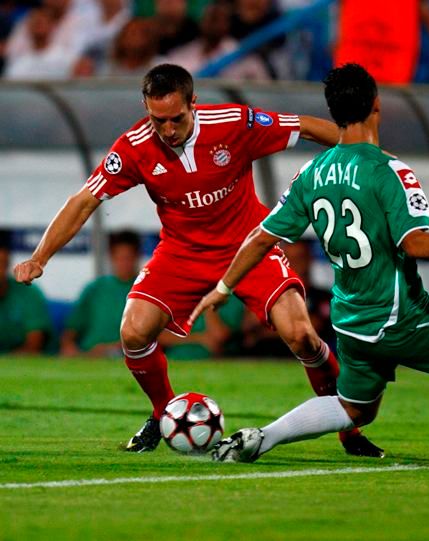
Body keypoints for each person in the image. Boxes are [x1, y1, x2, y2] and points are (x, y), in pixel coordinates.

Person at [14, 63, 380, 457]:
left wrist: (371, 159)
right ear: (145, 107)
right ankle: (163, 413)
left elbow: (307, 126)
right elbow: (84, 200)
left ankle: (348, 428)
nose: (167, 130)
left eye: (176, 118)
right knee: (133, 332)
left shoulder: (234, 123)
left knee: (302, 336)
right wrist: (40, 257)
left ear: (194, 103)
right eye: (158, 120)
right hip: (181, 252)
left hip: (248, 244)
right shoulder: (134, 147)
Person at [189, 63, 429, 462]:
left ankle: (263, 437)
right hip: (399, 318)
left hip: (352, 326)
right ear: (376, 104)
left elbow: (260, 238)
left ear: (333, 113)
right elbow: (415, 244)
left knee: (355, 409)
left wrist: (223, 288)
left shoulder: (312, 172)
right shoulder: (388, 170)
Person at [60, 230, 141, 358]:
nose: (124, 263)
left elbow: (152, 337)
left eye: (128, 258)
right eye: (119, 258)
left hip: (123, 356)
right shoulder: (94, 288)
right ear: (111, 258)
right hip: (88, 355)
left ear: (137, 257)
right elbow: (71, 330)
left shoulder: (145, 291)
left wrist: (110, 349)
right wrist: (69, 347)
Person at [0, 230, 52, 354]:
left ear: (7, 264)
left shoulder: (28, 292)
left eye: (1, 265)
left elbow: (34, 344)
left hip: (18, 365)